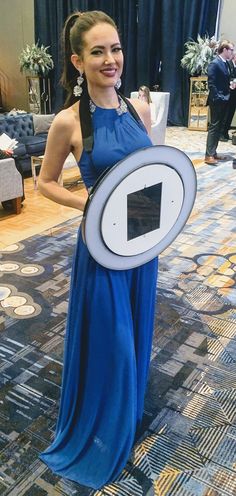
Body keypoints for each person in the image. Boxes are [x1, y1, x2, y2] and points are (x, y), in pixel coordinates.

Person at [38, 10, 158, 490]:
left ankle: (125, 412)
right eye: (98, 52)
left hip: (143, 243)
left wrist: (158, 222)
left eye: (116, 48)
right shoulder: (67, 121)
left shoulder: (139, 110)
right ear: (77, 60)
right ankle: (98, 426)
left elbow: (155, 171)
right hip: (101, 249)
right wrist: (86, 201)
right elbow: (46, 183)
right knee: (110, 339)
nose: (111, 60)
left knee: (135, 328)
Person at [205, 40, 234, 165]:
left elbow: (224, 81)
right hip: (217, 100)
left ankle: (213, 152)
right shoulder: (215, 63)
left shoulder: (226, 63)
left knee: (218, 128)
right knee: (214, 127)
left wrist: (230, 85)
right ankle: (208, 155)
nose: (232, 52)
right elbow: (212, 84)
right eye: (231, 50)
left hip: (225, 98)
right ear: (225, 50)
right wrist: (219, 98)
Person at [220, 51, 236, 141]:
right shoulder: (228, 64)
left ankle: (226, 132)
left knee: (230, 114)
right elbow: (226, 77)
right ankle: (221, 133)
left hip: (234, 95)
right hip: (228, 93)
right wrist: (232, 81)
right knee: (225, 114)